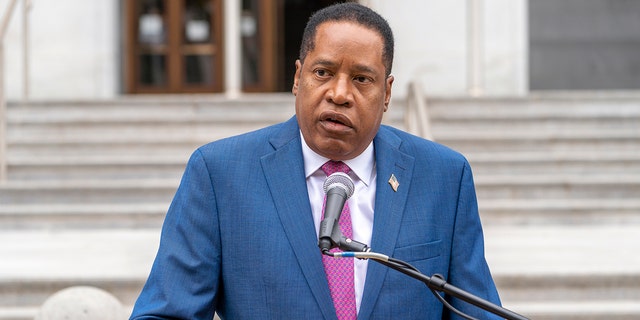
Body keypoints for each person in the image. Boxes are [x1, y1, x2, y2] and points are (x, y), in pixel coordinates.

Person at [130, 3, 502, 319]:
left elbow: (476, 310)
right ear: (297, 78)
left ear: (387, 93)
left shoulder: (442, 177)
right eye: (322, 73)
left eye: (361, 79)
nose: (339, 94)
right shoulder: (220, 174)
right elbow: (165, 312)